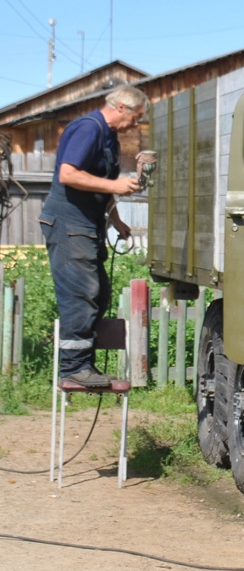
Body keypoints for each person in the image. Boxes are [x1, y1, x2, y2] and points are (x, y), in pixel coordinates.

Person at [39, 85, 149, 387]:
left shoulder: (109, 136)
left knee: (99, 293)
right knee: (81, 294)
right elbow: (69, 174)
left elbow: (100, 182)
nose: (136, 125)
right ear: (122, 108)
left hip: (88, 224)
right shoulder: (88, 129)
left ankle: (84, 363)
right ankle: (73, 369)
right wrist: (116, 187)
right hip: (68, 224)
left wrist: (116, 219)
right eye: (136, 118)